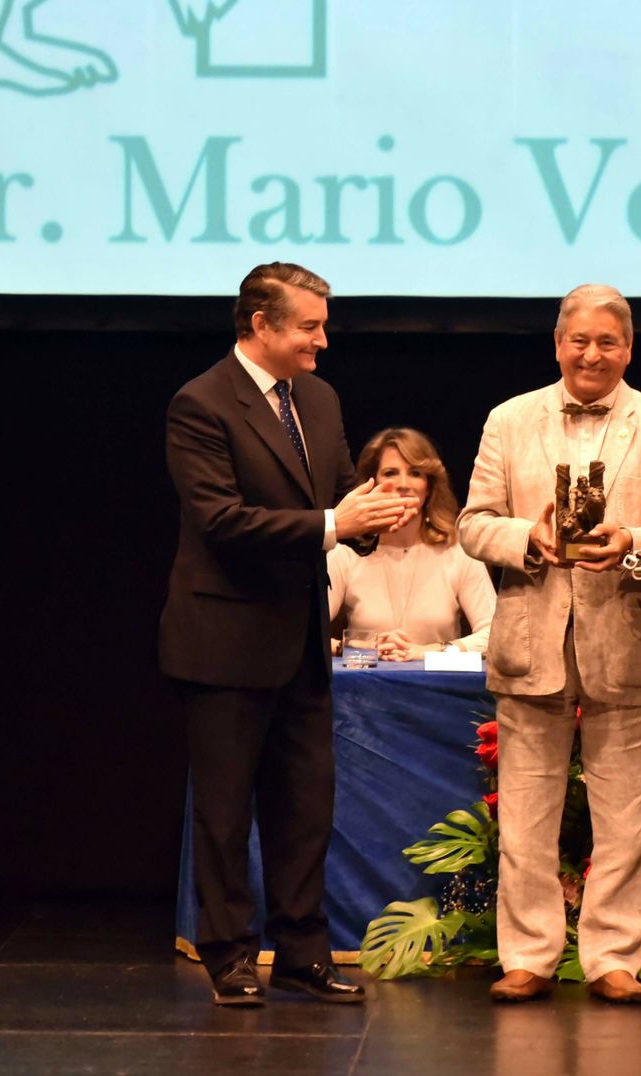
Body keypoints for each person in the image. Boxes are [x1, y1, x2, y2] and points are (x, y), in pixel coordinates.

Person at [158, 262, 416, 1007]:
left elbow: (335, 491)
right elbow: (223, 522)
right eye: (309, 326)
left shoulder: (319, 397)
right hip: (224, 642)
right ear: (261, 325)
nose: (322, 341)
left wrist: (369, 518)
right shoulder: (200, 404)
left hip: (301, 639)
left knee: (306, 807)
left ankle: (303, 951)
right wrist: (341, 523)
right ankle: (231, 954)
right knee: (226, 810)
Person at [459, 284, 641, 1005]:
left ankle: (612, 958)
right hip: (533, 638)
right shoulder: (509, 418)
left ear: (628, 348)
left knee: (625, 816)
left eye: (608, 341)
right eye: (579, 340)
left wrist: (631, 543)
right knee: (525, 816)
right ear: (557, 343)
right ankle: (528, 955)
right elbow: (473, 523)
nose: (592, 353)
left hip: (626, 635)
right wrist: (526, 535)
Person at [327, 427, 495, 659]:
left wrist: (429, 652)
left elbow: (494, 633)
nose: (403, 484)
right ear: (371, 483)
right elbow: (302, 634)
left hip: (437, 689)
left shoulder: (458, 550)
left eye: (415, 473)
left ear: (429, 485)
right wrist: (359, 648)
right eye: (390, 473)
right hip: (362, 689)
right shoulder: (346, 551)